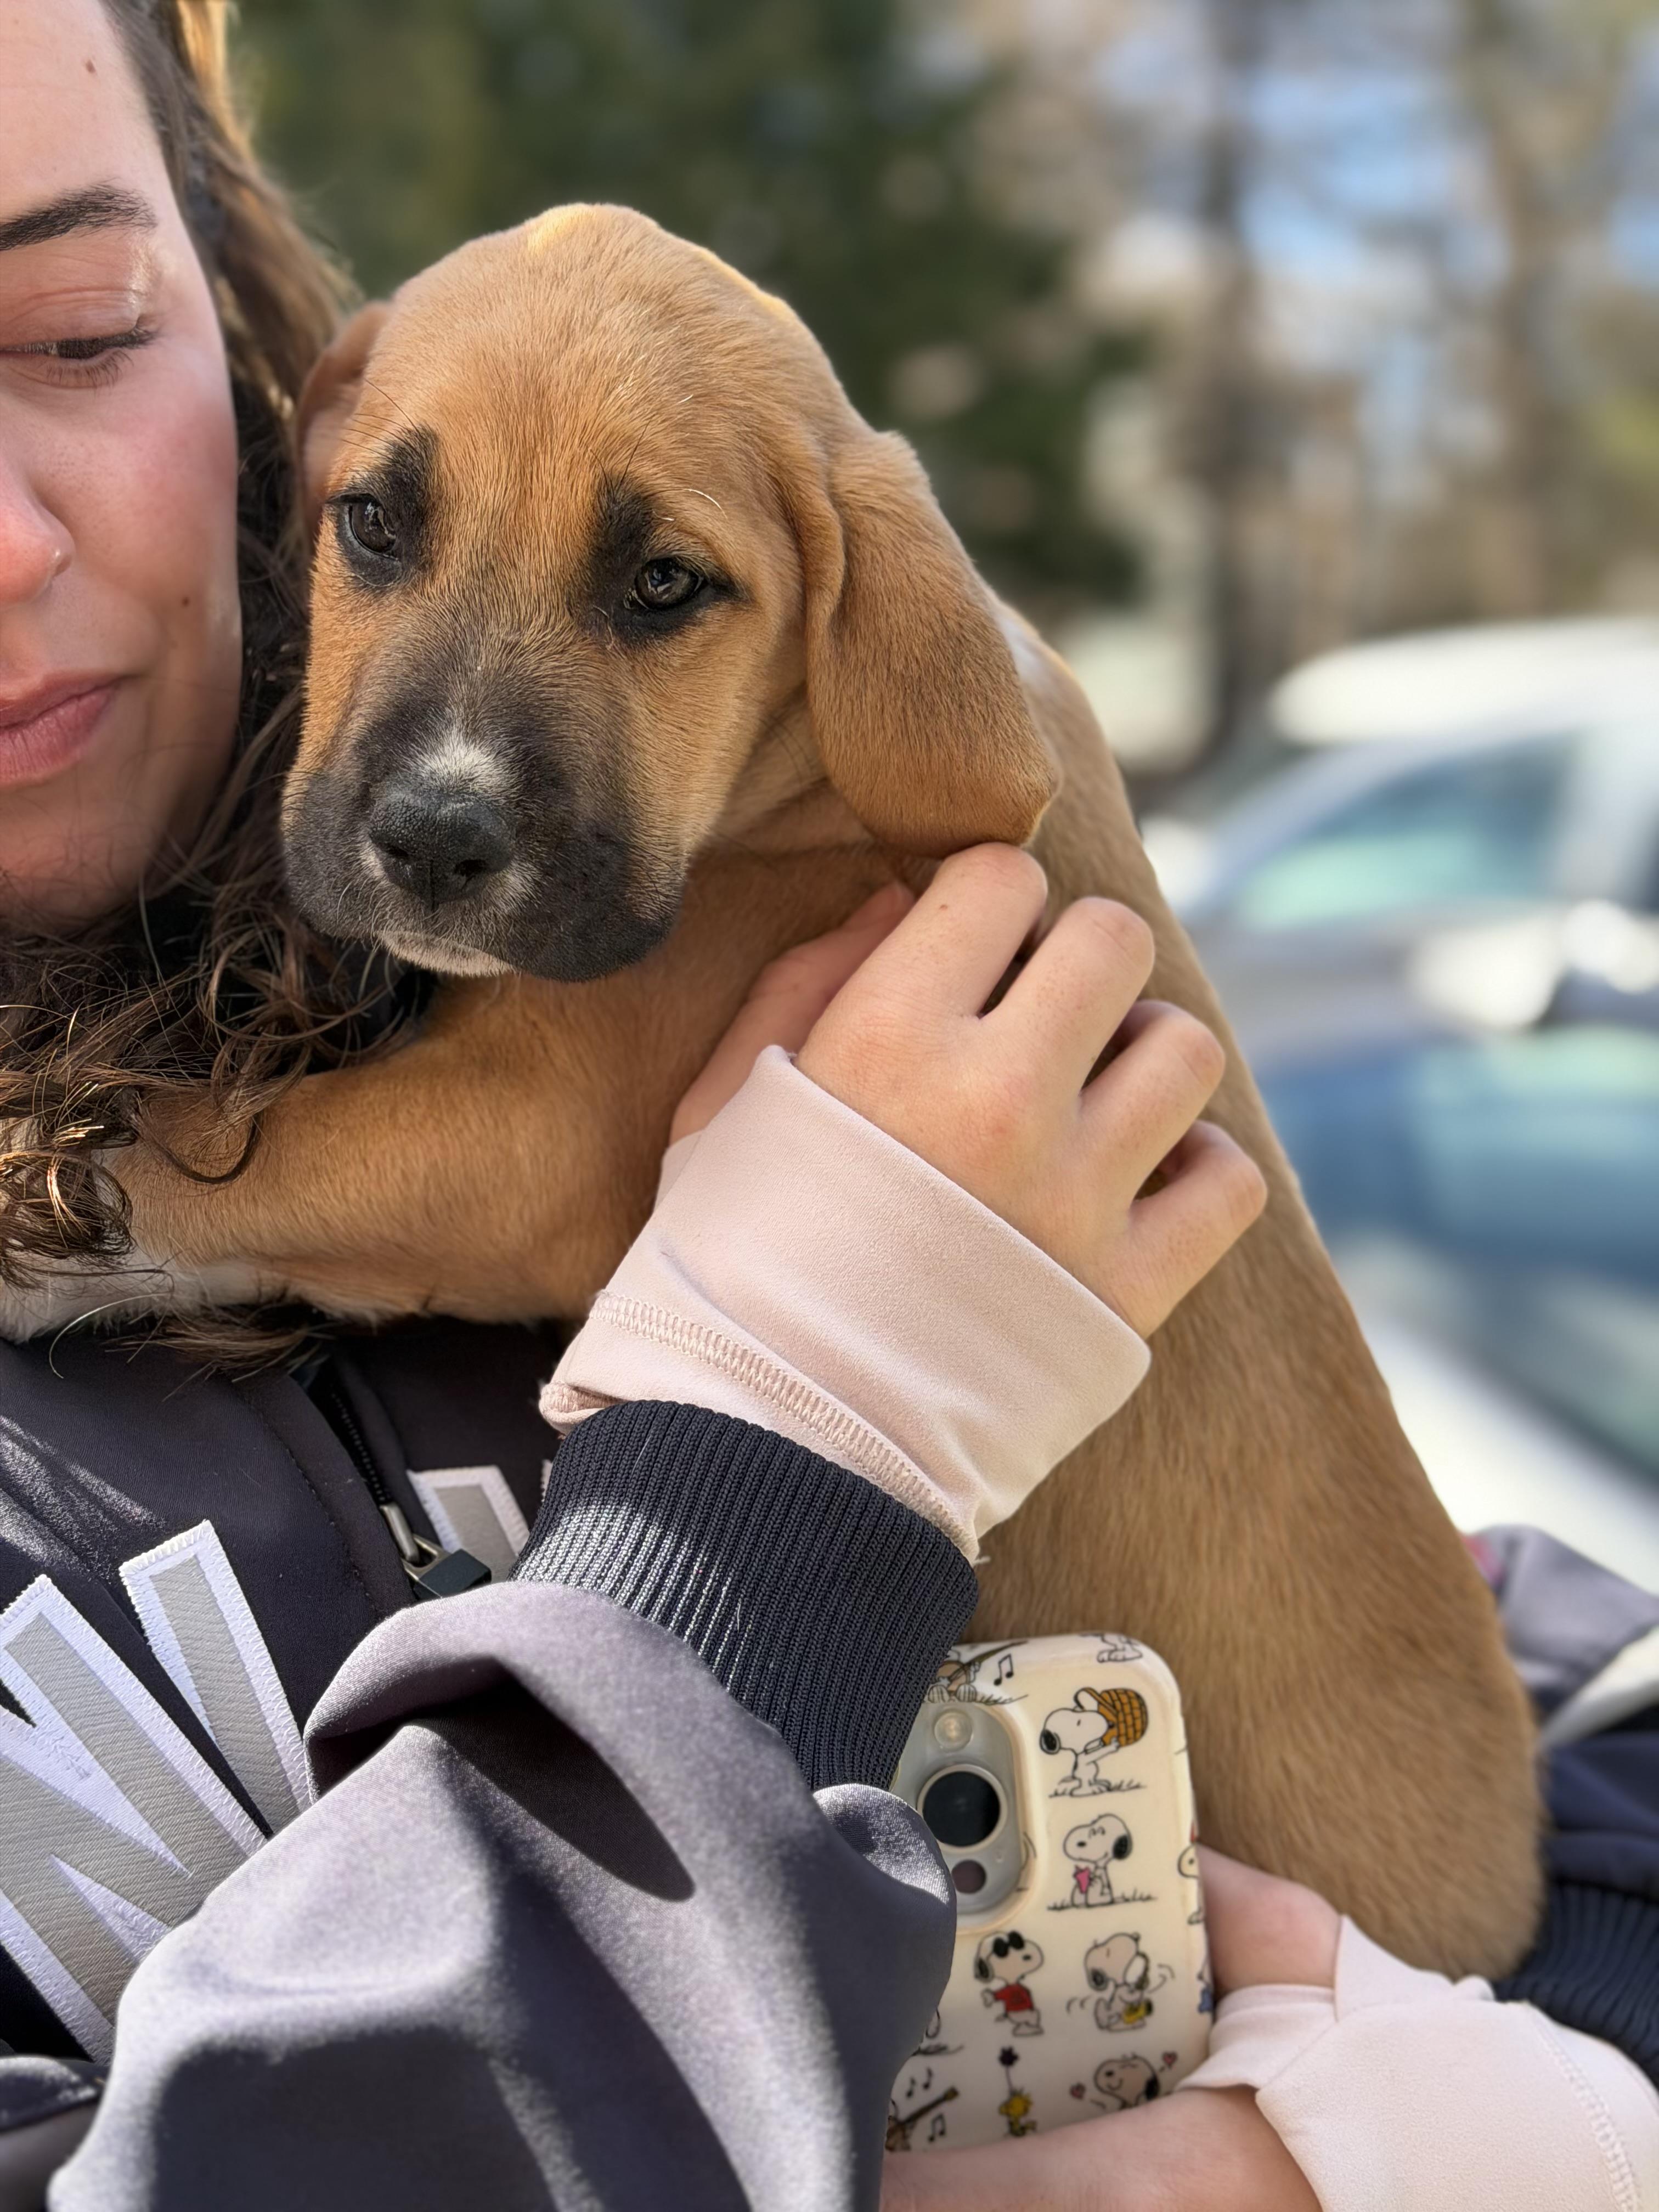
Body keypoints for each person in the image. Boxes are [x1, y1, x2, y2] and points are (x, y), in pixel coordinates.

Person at [0, 4, 1655, 2208]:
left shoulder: (897, 843)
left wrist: (1575, 2056)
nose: (460, 770)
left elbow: (1555, 1670)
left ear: (252, 360)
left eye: (78, 326)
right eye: (392, 538)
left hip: (1346, 1873)